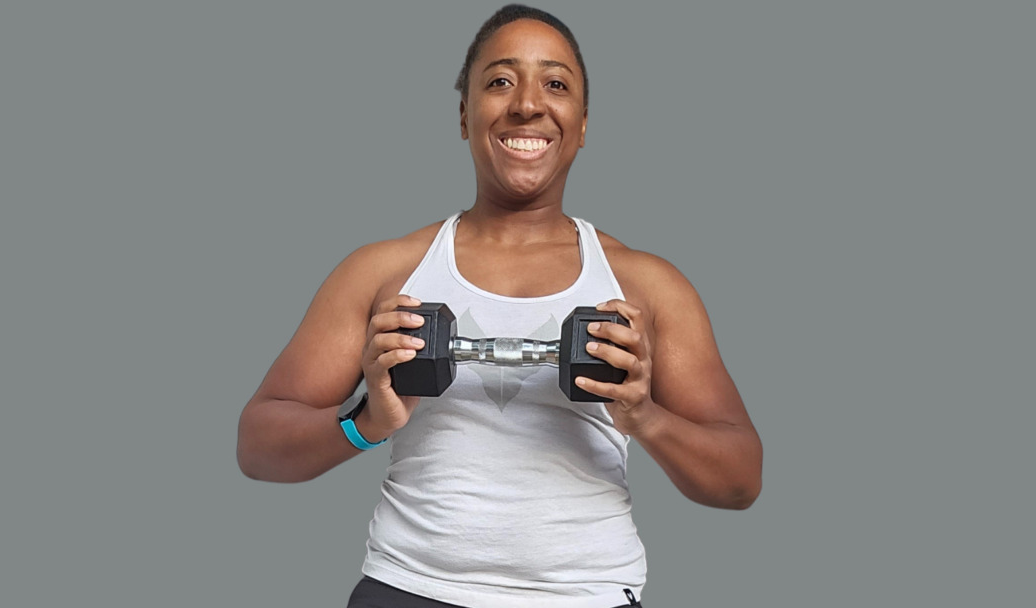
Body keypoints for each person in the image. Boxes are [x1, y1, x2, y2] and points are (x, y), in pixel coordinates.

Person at [237, 5, 762, 607]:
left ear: (583, 124)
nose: (527, 104)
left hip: (584, 596)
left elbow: (740, 481)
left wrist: (646, 417)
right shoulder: (383, 273)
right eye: (500, 81)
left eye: (556, 84)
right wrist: (366, 423)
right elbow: (257, 448)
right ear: (464, 115)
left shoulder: (647, 286)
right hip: (411, 589)